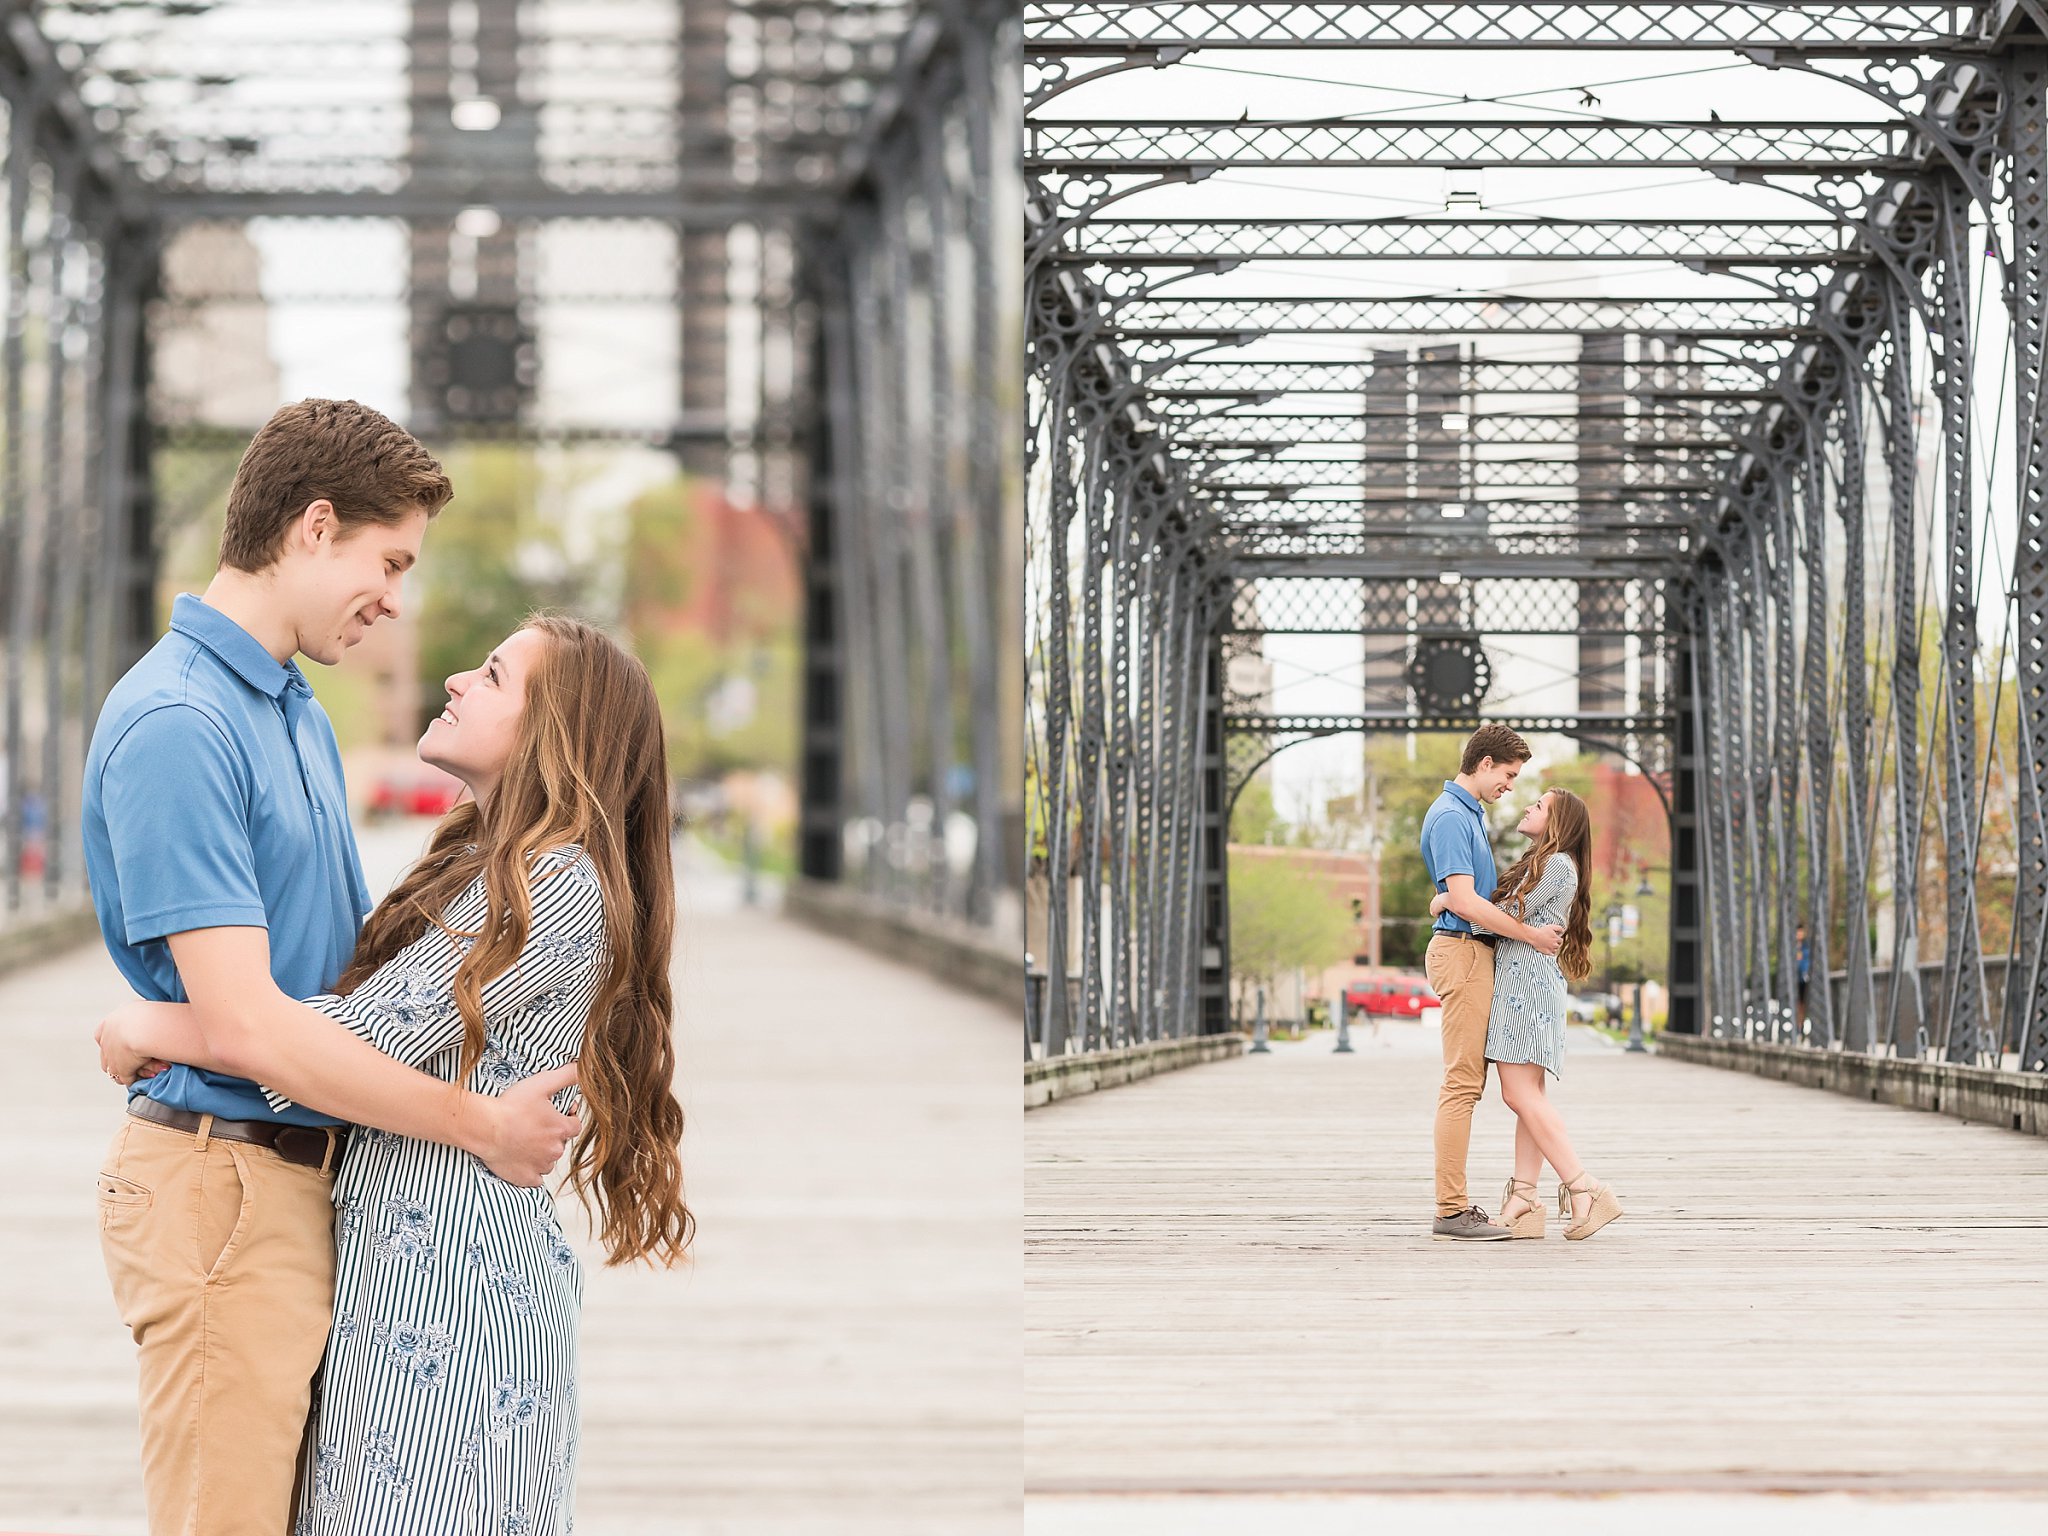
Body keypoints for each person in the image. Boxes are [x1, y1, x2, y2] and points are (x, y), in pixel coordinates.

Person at [81, 400, 580, 1536]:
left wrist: (152, 1025)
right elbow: (249, 1028)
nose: (396, 598)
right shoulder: (180, 723)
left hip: (310, 1184)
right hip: (224, 1184)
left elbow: (347, 980)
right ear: (314, 526)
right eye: (389, 561)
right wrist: (479, 1125)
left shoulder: (290, 705)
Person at [99, 613, 693, 1532]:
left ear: (555, 733)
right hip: (405, 1275)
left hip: (454, 1291)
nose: (458, 680)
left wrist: (153, 1024)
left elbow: (356, 1038)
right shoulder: (488, 866)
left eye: (492, 676)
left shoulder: (554, 886)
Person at [1434, 787, 1623, 1241]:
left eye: (1538, 806)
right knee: (1530, 1097)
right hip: (1529, 982)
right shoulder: (1549, 862)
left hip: (1524, 987)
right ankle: (1523, 1197)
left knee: (1519, 1095)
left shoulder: (1556, 864)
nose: (1526, 806)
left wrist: (1449, 902)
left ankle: (1585, 1186)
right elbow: (1516, 917)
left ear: (1557, 822)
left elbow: (1498, 916)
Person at [1418, 725, 1565, 1240]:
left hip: (1472, 951)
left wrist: (1447, 899)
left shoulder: (1468, 814)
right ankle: (1451, 1210)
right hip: (1463, 953)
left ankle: (1465, 1205)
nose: (1510, 785)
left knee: (1466, 1084)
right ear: (1484, 764)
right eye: (1508, 774)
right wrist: (1530, 934)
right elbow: (1465, 901)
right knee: (1462, 1084)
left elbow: (1462, 896)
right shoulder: (1452, 816)